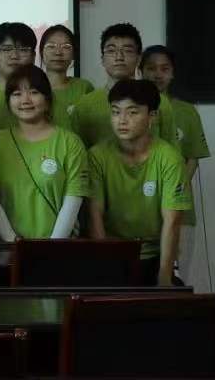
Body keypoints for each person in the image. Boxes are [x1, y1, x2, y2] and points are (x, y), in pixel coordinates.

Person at [88, 79, 192, 286]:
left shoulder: (169, 158)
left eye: (132, 112)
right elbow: (94, 215)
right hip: (112, 253)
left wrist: (164, 275)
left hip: (155, 254)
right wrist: (105, 266)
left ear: (152, 116)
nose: (122, 120)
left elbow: (172, 221)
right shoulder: (97, 156)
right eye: (115, 112)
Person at [0, 65, 89, 240]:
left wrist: (51, 246)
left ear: (47, 99)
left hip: (60, 246)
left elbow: (74, 198)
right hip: (8, 247)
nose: (25, 100)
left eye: (33, 92)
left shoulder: (70, 143)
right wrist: (12, 241)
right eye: (17, 94)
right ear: (8, 102)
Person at [141, 45, 211, 282]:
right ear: (140, 71)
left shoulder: (187, 111)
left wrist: (174, 189)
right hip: (139, 211)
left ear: (173, 73)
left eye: (165, 69)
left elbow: (192, 157)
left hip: (179, 210)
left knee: (175, 281)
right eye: (151, 68)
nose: (158, 74)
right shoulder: (132, 111)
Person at [70, 23, 176, 148]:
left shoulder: (159, 102)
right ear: (102, 59)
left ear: (139, 58)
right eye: (111, 51)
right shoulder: (84, 106)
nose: (119, 57)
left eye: (127, 50)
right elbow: (78, 152)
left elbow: (172, 149)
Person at [38, 24, 94, 130]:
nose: (58, 52)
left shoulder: (84, 87)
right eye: (51, 46)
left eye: (66, 47)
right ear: (41, 52)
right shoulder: (32, 87)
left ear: (73, 54)